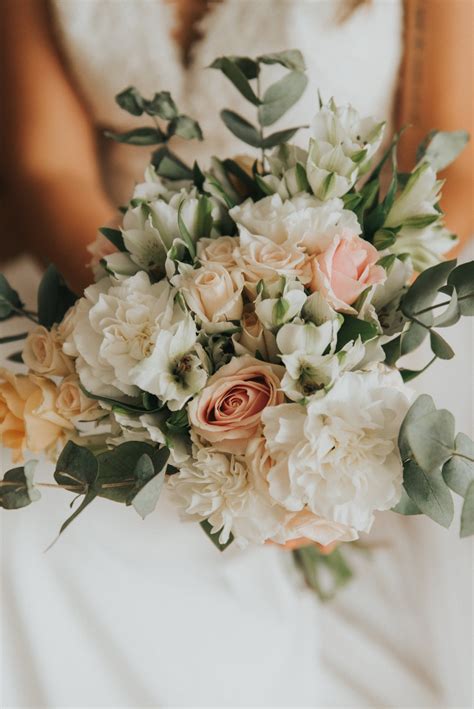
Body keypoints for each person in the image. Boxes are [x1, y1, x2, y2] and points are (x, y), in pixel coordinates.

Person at [0, 1, 472, 706]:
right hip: (110, 276)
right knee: (18, 476)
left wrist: (343, 336)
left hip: (368, 285)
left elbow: (451, 158)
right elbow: (48, 169)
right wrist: (159, 331)